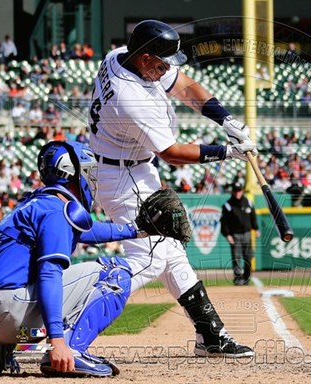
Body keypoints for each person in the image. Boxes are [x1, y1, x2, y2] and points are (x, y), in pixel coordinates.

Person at [88, 19, 257, 357]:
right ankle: (67, 310)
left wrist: (225, 119)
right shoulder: (130, 98)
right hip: (124, 177)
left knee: (173, 255)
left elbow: (184, 85)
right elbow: (171, 153)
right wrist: (226, 152)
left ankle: (211, 335)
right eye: (161, 64)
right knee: (151, 259)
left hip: (131, 169)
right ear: (146, 58)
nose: (166, 70)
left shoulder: (123, 55)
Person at [0, 141, 147, 377]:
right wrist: (57, 340)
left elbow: (87, 230)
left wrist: (137, 229)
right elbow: (49, 273)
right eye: (88, 170)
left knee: (31, 288)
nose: (91, 177)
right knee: (116, 272)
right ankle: (72, 349)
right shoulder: (56, 210)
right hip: (11, 315)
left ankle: (1, 349)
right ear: (71, 172)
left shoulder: (33, 205)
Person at [220, 182, 260, 285]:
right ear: (233, 192)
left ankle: (246, 277)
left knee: (249, 256)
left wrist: (256, 228)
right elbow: (224, 222)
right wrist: (227, 235)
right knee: (236, 257)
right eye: (236, 191)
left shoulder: (248, 202)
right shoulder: (228, 205)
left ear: (242, 191)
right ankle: (238, 278)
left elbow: (253, 217)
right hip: (235, 235)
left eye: (239, 190)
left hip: (247, 233)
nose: (238, 193)